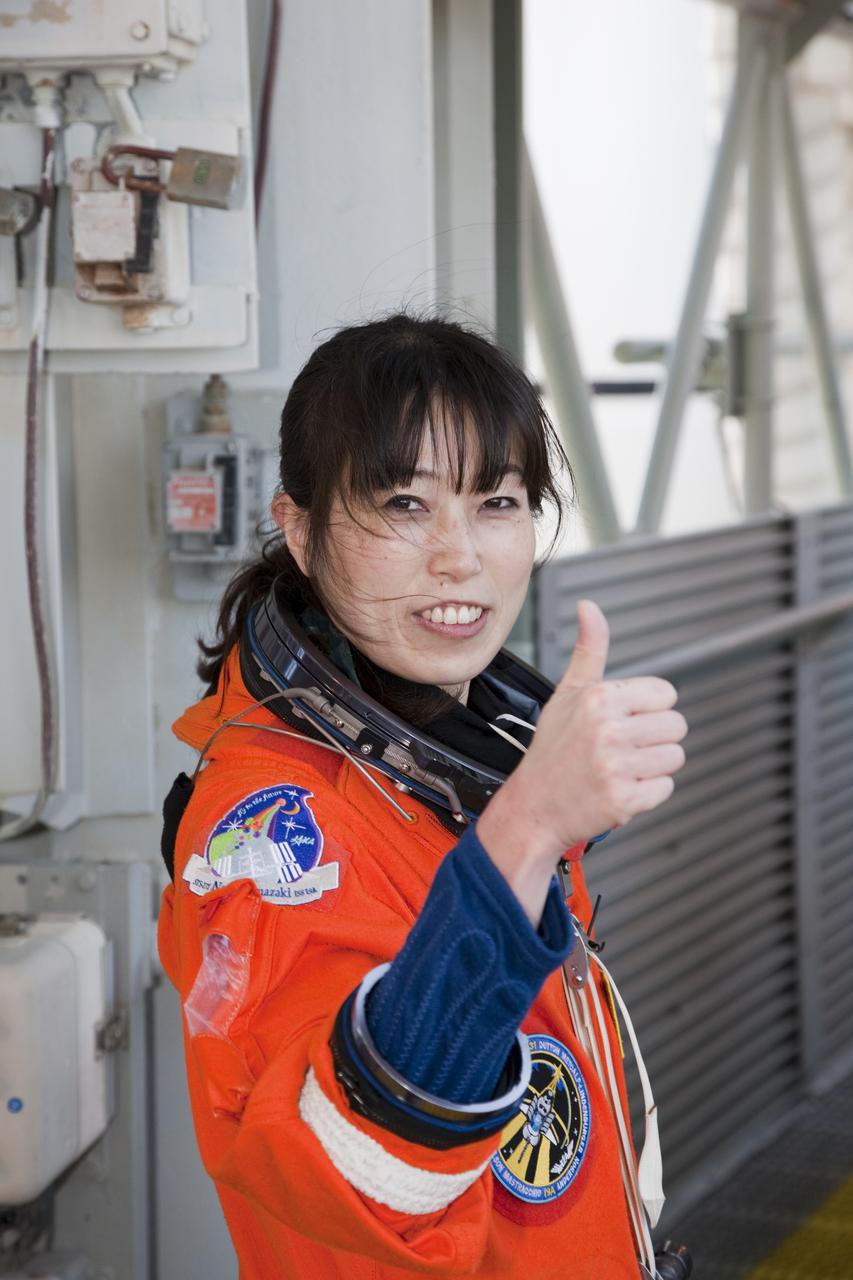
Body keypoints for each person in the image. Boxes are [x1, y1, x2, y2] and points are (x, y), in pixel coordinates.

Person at [157, 313, 688, 1280]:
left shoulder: (453, 759)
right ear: (302, 530)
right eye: (403, 505)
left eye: (498, 501)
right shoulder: (279, 830)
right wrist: (525, 829)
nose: (459, 555)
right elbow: (353, 1176)